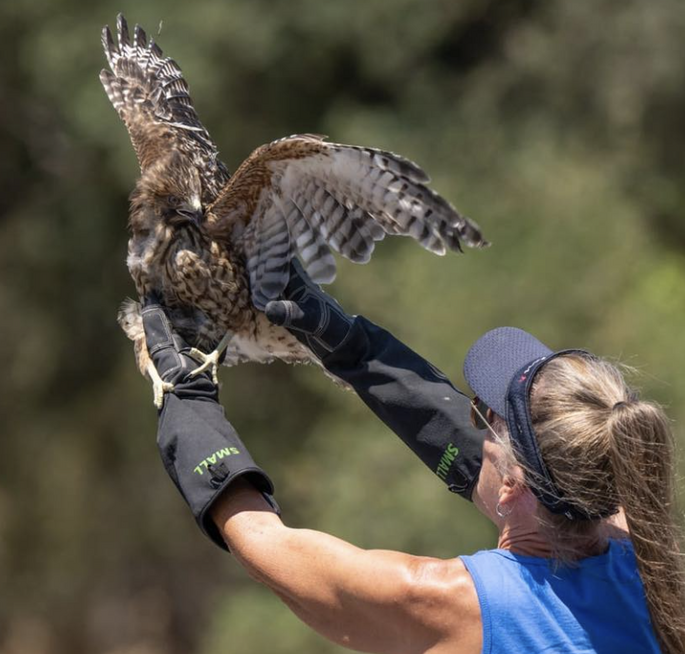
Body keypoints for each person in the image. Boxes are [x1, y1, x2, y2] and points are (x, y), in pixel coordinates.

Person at [143, 264, 685, 654]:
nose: (475, 427)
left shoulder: (454, 605)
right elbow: (483, 458)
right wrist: (354, 348)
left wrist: (185, 406)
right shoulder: (653, 561)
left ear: (514, 486)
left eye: (485, 421)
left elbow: (263, 543)